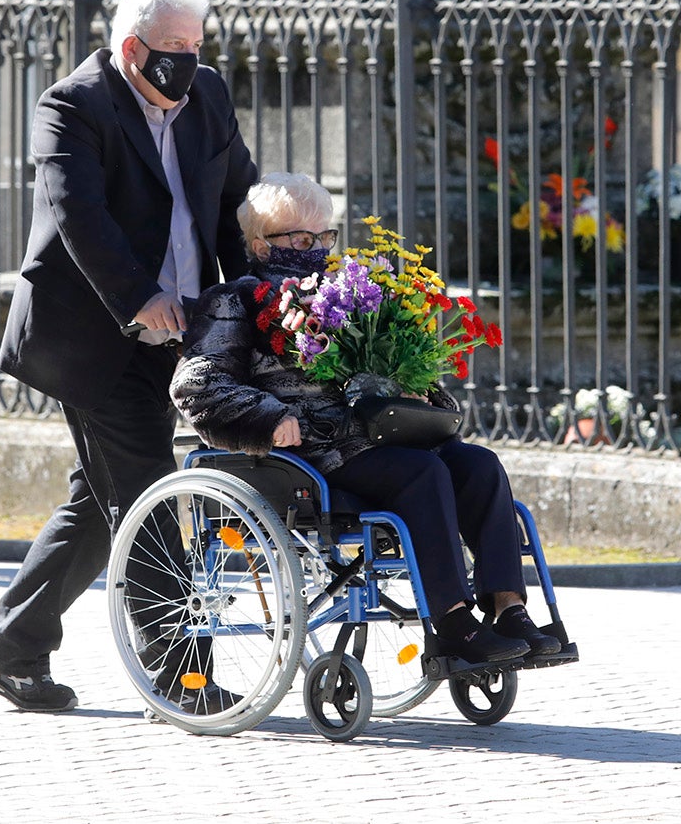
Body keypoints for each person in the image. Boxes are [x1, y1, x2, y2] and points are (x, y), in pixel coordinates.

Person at [0, 0, 258, 713]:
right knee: (152, 495)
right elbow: (78, 214)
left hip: (185, 332)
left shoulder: (208, 96)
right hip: (101, 339)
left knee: (100, 502)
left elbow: (235, 204)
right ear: (132, 49)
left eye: (197, 44)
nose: (189, 61)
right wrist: (141, 296)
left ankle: (11, 646)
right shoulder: (73, 105)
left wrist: (264, 296)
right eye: (173, 48)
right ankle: (185, 676)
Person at [170, 172, 562, 665]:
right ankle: (454, 625)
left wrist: (414, 389)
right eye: (301, 238)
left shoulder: (349, 292)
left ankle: (509, 610)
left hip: (378, 435)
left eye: (325, 236)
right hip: (311, 454)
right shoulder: (235, 301)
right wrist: (269, 417)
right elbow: (197, 383)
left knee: (479, 466)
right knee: (423, 473)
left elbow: (378, 365)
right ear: (260, 247)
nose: (316, 249)